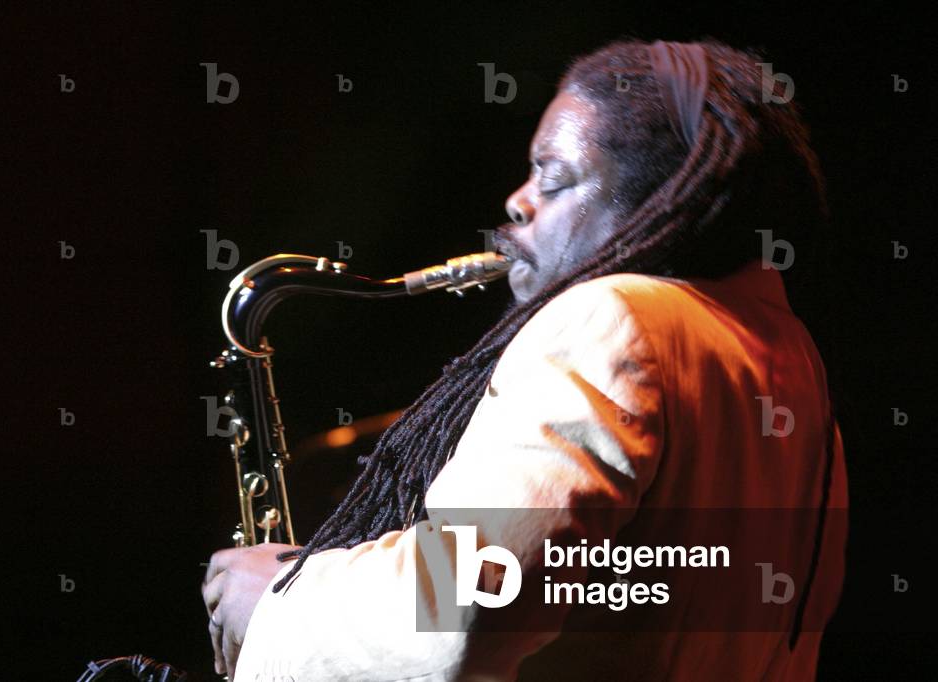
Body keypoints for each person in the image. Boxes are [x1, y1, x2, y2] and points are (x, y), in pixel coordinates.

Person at [202, 38, 847, 681]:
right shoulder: (791, 370)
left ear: (657, 194)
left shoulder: (611, 316)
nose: (519, 200)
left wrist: (278, 607)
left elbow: (470, 603)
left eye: (554, 176)